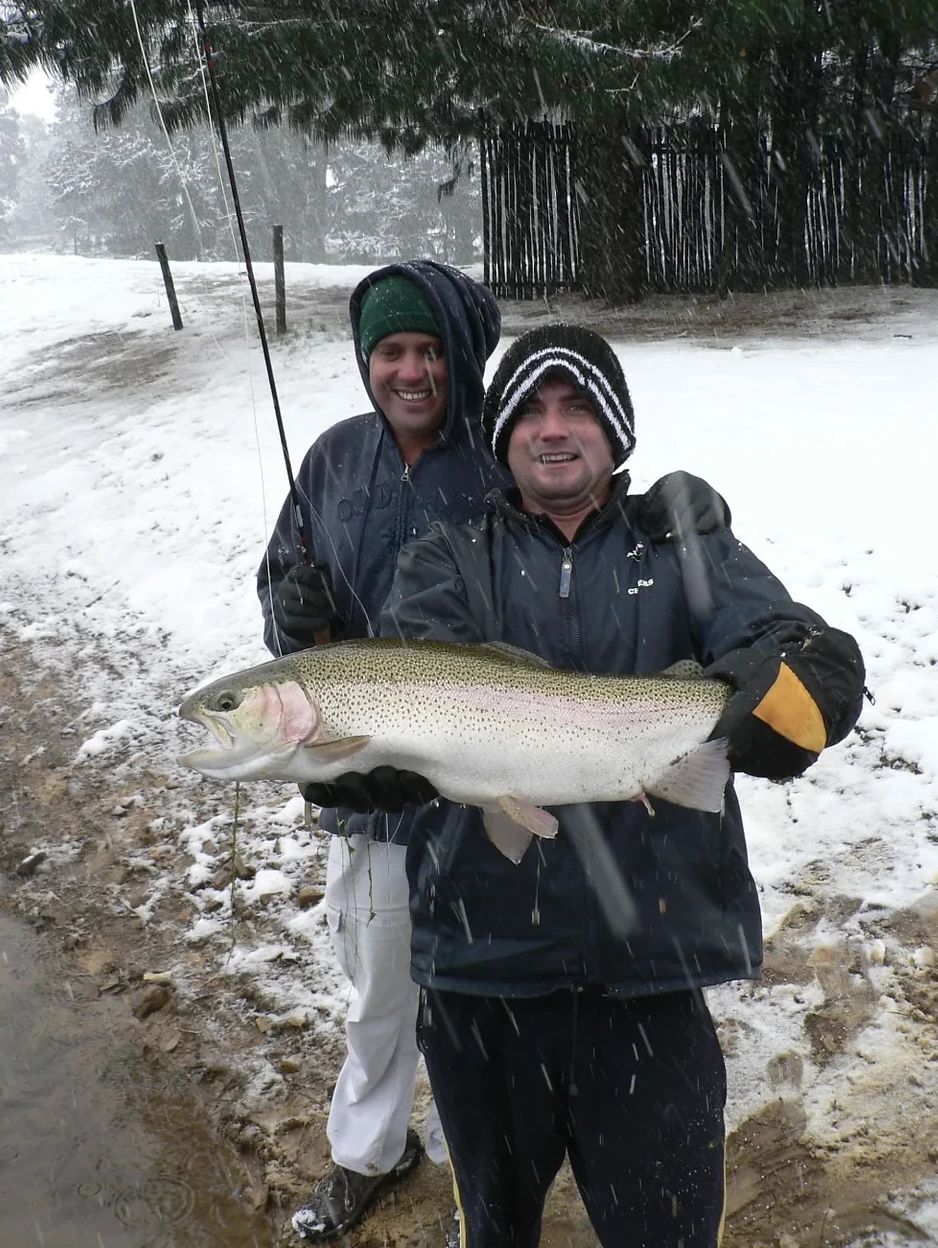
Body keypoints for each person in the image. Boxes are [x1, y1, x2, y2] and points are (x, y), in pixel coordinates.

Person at [259, 279, 735, 1244]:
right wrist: (293, 615)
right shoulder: (334, 459)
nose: (411, 371)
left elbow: (564, 567)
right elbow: (285, 586)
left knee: (471, 989)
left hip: (507, 770)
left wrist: (689, 544)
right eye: (390, 353)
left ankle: (462, 1146)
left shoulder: (502, 452)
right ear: (365, 364)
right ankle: (372, 1150)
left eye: (430, 350)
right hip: (372, 768)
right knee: (380, 986)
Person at [375, 324, 866, 1247]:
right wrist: (361, 767)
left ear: (616, 431)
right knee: (493, 1230)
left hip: (652, 979)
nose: (553, 430)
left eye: (578, 409)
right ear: (501, 436)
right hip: (485, 981)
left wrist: (801, 678)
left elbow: (782, 641)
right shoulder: (447, 557)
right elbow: (403, 691)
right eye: (530, 411)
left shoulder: (680, 544)